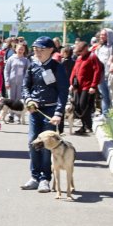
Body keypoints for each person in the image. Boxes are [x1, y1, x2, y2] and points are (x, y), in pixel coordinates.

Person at [20, 36, 69, 193]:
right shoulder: (32, 65)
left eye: (41, 50)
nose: (37, 53)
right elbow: (25, 86)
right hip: (35, 110)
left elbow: (63, 91)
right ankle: (34, 177)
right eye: (35, 50)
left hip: (51, 111)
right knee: (33, 142)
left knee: (47, 145)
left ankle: (45, 179)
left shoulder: (57, 67)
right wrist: (28, 100)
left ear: (50, 50)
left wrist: (58, 113)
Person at [69, 40, 103, 135]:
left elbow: (97, 71)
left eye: (80, 51)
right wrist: (72, 83)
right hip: (78, 87)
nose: (79, 54)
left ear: (86, 48)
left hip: (87, 86)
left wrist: (93, 86)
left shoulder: (92, 57)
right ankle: (83, 126)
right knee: (78, 106)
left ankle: (88, 126)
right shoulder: (79, 58)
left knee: (84, 105)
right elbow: (74, 71)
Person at [4, 42, 30, 118]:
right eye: (19, 49)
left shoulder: (25, 60)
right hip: (11, 82)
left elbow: (28, 71)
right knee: (11, 99)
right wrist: (7, 81)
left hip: (21, 83)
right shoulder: (11, 59)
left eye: (22, 49)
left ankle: (18, 116)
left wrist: (26, 82)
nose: (20, 50)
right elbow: (6, 70)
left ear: (24, 50)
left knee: (19, 100)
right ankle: (10, 115)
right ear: (15, 49)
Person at [95, 28, 113, 116]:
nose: (102, 36)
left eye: (104, 35)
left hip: (110, 75)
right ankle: (105, 114)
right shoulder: (100, 47)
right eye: (101, 34)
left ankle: (112, 115)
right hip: (101, 76)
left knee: (112, 96)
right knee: (104, 96)